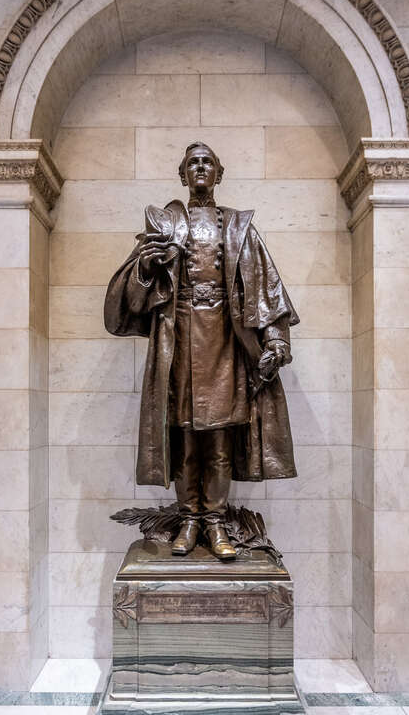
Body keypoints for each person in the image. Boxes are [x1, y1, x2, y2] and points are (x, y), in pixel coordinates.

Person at [104, 142, 299, 559]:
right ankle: (190, 518)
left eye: (207, 162)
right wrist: (145, 267)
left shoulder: (238, 229)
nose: (199, 167)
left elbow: (266, 288)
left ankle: (216, 521)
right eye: (192, 162)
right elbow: (127, 302)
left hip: (225, 343)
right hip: (178, 341)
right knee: (186, 436)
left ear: (218, 173)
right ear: (182, 174)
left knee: (221, 440)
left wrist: (276, 339)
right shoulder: (165, 224)